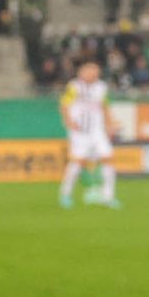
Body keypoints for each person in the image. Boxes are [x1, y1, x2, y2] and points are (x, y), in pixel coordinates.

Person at [59, 55, 118, 208]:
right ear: (82, 72)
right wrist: (68, 121)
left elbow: (104, 106)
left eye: (95, 71)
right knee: (77, 162)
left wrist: (110, 124)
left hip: (97, 131)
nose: (93, 73)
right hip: (80, 132)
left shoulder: (101, 87)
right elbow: (64, 104)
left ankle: (108, 196)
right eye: (90, 70)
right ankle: (65, 194)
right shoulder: (74, 87)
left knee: (108, 158)